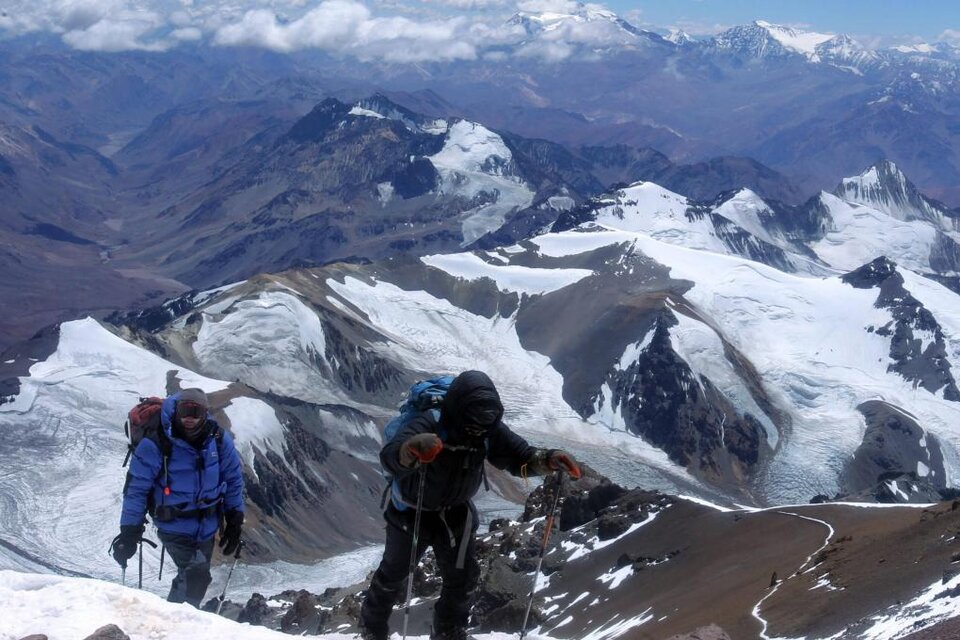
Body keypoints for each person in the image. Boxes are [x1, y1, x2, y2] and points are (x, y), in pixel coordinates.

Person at [360, 370, 581, 640]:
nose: (477, 428)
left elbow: (518, 456)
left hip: (455, 513)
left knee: (462, 578)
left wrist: (547, 460)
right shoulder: (429, 421)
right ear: (458, 409)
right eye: (473, 421)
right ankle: (372, 631)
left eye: (485, 423)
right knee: (393, 576)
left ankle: (449, 632)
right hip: (411, 511)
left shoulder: (488, 428)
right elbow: (390, 457)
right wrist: (411, 450)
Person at [110, 388, 245, 607]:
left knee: (194, 577)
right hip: (173, 524)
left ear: (205, 413)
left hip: (207, 525)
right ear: (176, 411)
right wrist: (129, 531)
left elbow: (233, 480)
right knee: (196, 577)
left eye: (196, 411)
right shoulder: (156, 444)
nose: (189, 418)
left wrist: (235, 519)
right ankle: (179, 625)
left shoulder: (218, 440)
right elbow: (136, 489)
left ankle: (173, 619)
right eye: (185, 410)